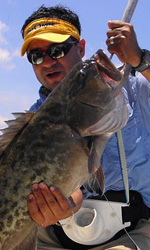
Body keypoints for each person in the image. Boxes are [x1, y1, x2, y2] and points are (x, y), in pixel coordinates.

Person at [20, 4, 150, 250]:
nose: (47, 62)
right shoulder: (31, 124)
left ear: (80, 48)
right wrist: (63, 208)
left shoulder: (131, 85)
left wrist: (140, 59)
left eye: (57, 50)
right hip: (54, 235)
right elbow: (76, 190)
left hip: (133, 231)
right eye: (36, 56)